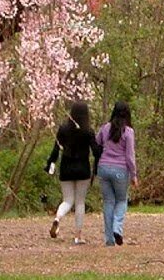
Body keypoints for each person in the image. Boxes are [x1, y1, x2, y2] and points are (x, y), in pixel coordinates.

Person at [45, 100, 101, 245]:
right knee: (80, 202)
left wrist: (50, 163)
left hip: (66, 168)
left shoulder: (63, 129)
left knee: (67, 200)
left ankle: (58, 218)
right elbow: (95, 151)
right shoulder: (88, 131)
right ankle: (78, 236)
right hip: (82, 168)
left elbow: (56, 149)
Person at [96, 101, 138, 246]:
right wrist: (133, 175)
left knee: (108, 202)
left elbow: (97, 143)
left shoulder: (105, 128)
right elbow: (129, 156)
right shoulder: (128, 132)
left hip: (103, 168)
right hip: (120, 170)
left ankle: (109, 239)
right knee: (121, 200)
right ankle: (117, 228)